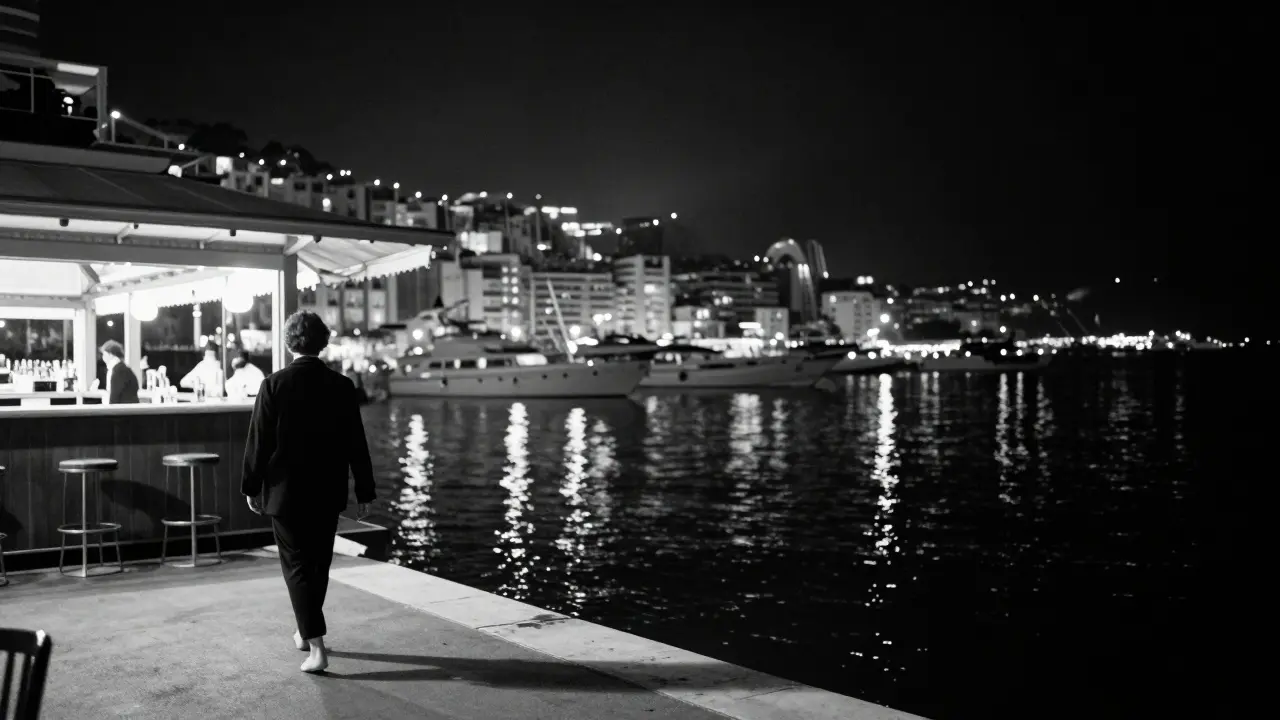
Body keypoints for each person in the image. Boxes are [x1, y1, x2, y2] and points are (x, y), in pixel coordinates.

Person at [241, 311, 375, 674]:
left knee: (297, 568)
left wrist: (251, 486)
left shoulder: (273, 385)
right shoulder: (342, 386)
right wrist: (365, 490)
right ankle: (305, 630)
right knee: (318, 565)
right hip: (327, 490)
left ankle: (316, 647)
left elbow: (258, 443)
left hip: (286, 493)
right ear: (324, 342)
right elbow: (356, 444)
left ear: (288, 343)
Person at [99, 340, 138, 405]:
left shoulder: (118, 371)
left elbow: (114, 396)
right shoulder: (122, 368)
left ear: (111, 354)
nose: (103, 358)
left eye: (104, 354)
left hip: (124, 410)